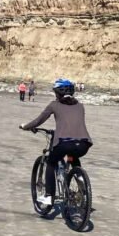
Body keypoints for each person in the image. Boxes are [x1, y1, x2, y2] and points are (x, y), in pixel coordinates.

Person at [20, 78, 93, 207]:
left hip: (64, 143)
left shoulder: (54, 105)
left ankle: (49, 196)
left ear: (57, 93)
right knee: (73, 156)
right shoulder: (80, 106)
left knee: (51, 163)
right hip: (83, 144)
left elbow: (39, 120)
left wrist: (26, 126)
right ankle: (80, 180)